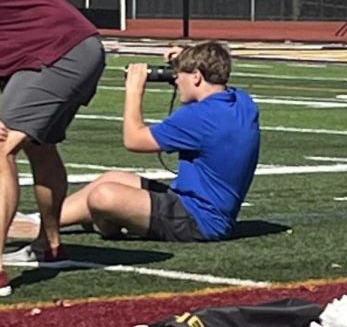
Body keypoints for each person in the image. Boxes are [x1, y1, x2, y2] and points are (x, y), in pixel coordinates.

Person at [47, 41, 260, 244]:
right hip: (197, 205)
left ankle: (101, 221)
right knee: (111, 178)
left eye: (179, 75)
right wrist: (184, 58)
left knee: (103, 196)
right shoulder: (242, 102)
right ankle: (44, 221)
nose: (176, 80)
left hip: (199, 220)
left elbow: (134, 140)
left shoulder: (199, 117)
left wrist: (134, 90)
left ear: (196, 76)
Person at [0, 0, 107, 294]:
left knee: (1, 148)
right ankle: (52, 245)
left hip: (59, 53)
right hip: (63, 49)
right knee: (38, 144)